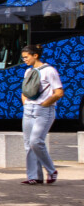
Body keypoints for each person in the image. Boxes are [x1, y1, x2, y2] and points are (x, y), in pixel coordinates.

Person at [20, 44, 64, 185]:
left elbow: (59, 92)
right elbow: (25, 91)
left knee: (36, 141)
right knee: (28, 144)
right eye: (23, 58)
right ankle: (34, 176)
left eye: (26, 57)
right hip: (28, 110)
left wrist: (44, 104)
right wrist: (25, 103)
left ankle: (51, 171)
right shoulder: (28, 71)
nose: (24, 60)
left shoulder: (49, 71)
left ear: (35, 55)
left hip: (44, 111)